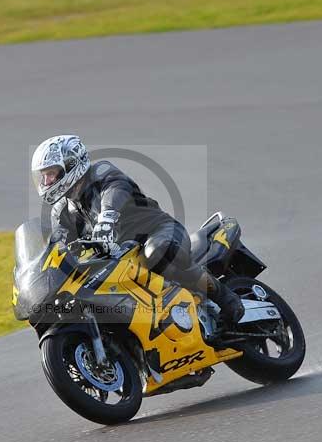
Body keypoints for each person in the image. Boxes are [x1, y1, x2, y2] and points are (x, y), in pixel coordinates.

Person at [31, 135, 244, 326]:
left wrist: (107, 218)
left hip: (159, 232)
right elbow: (59, 245)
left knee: (157, 252)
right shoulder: (61, 211)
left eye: (52, 173)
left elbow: (115, 191)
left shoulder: (101, 173)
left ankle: (225, 298)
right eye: (44, 176)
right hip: (120, 258)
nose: (47, 181)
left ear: (71, 164)